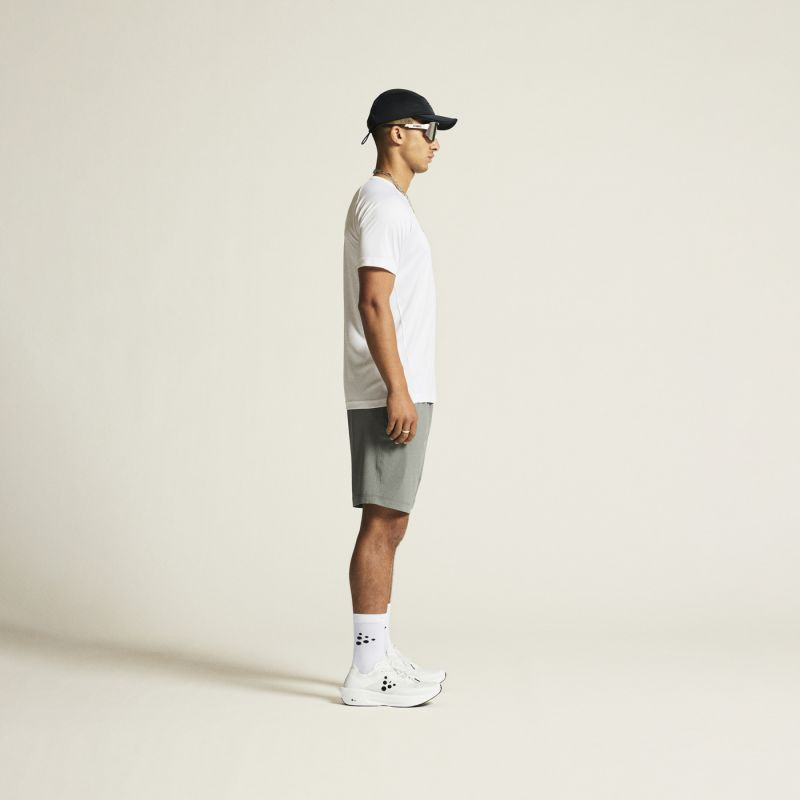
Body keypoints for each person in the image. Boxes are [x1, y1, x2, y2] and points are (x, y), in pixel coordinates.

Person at [338, 89, 458, 707]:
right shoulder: (383, 205)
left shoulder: (389, 204)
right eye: (428, 130)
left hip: (397, 385)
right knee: (382, 522)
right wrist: (399, 390)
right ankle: (366, 671)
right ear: (396, 133)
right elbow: (374, 302)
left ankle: (380, 654)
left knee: (392, 520)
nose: (435, 143)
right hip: (390, 387)